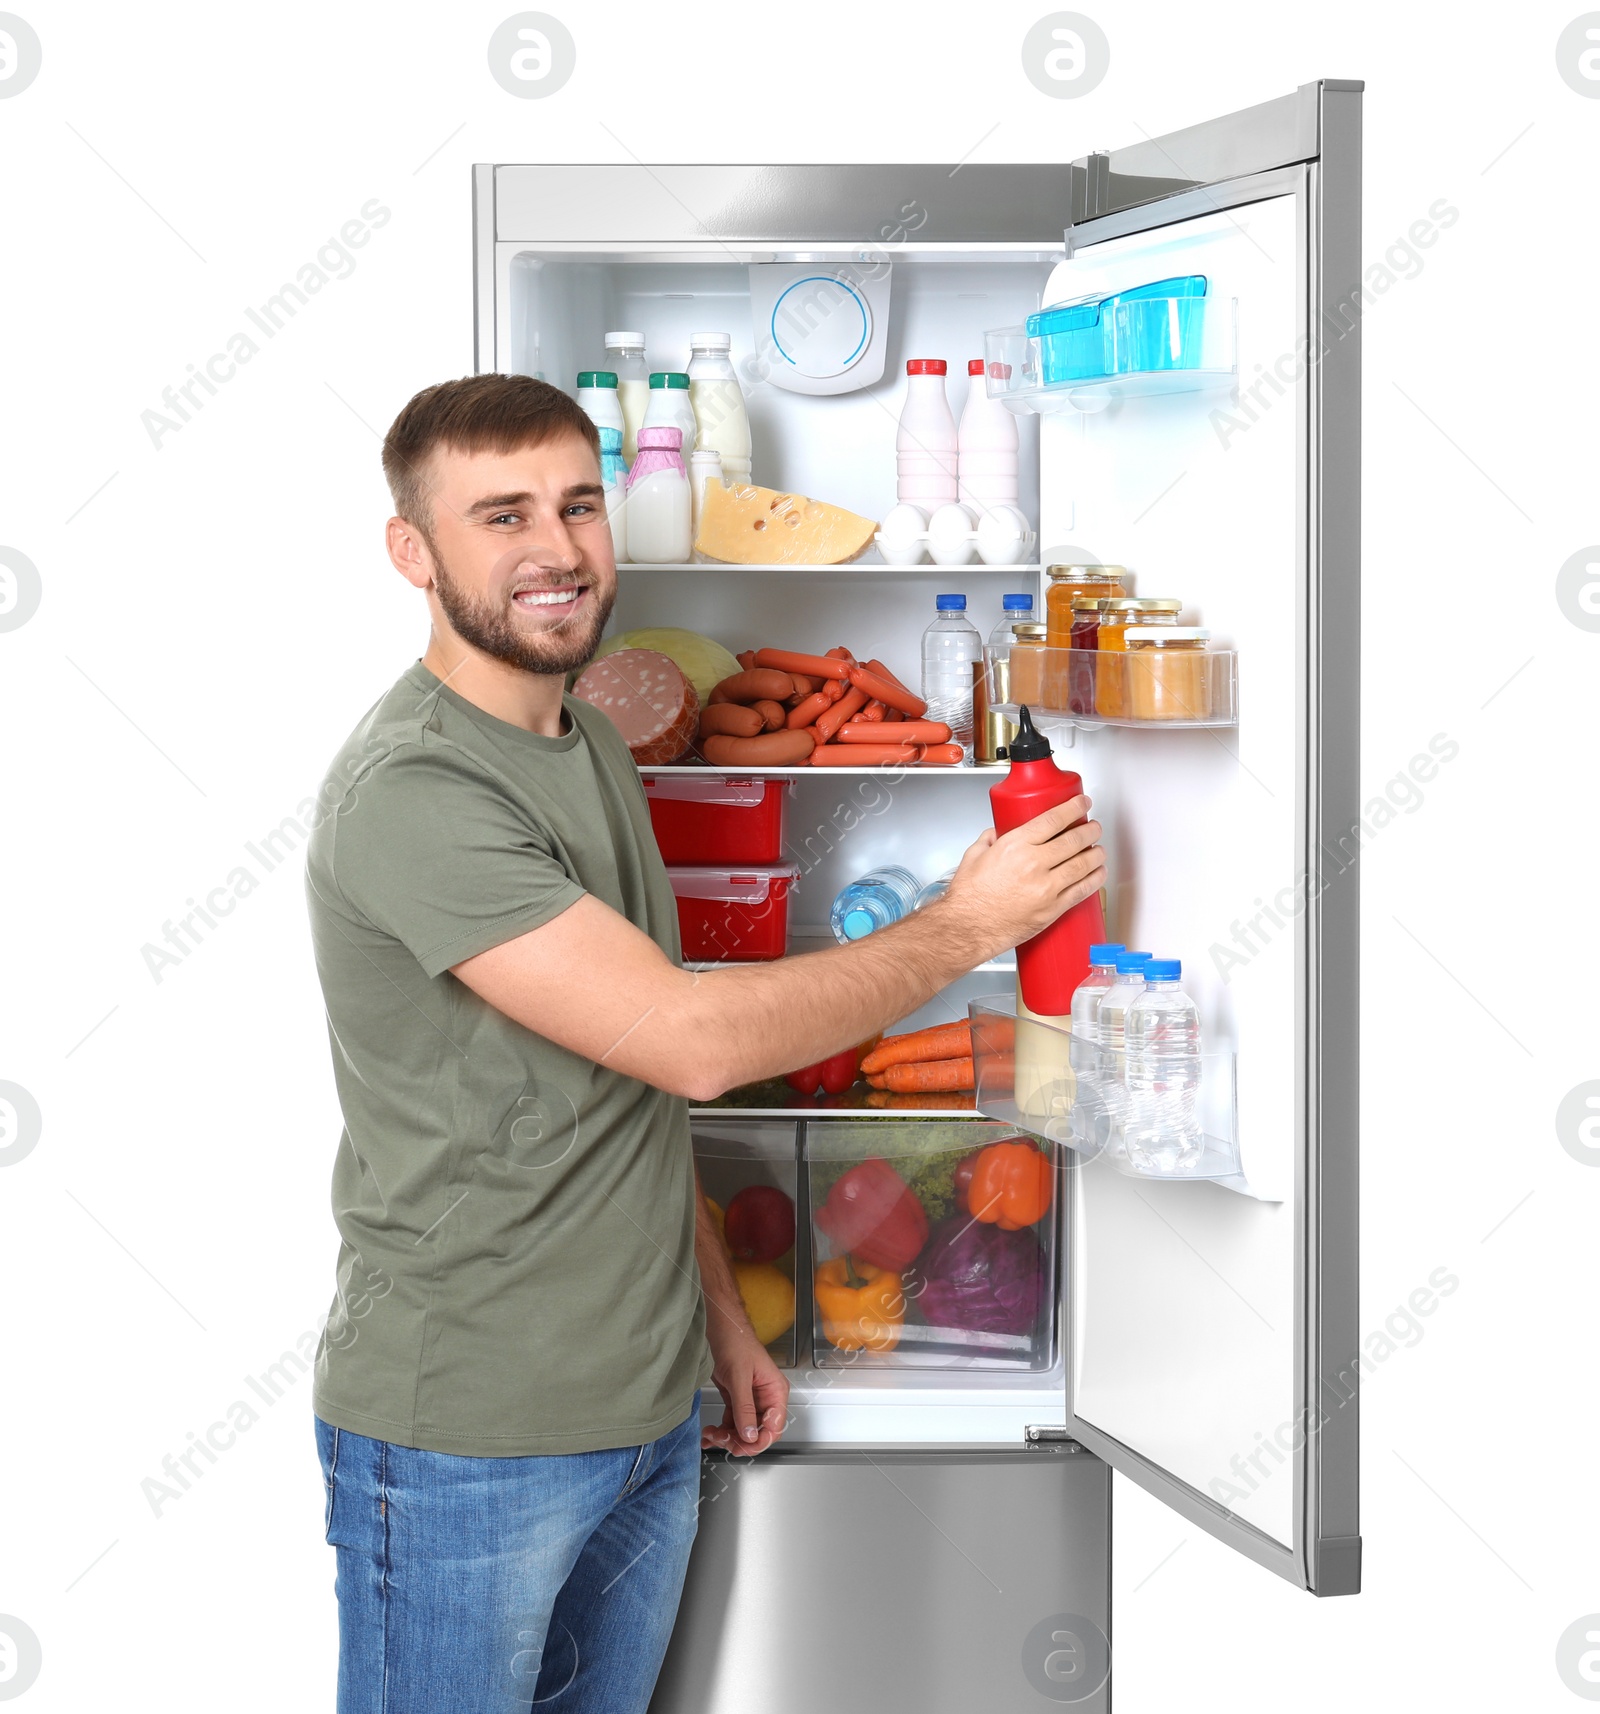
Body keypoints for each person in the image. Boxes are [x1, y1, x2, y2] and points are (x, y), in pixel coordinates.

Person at [304, 372, 1106, 1714]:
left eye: (577, 504)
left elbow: (624, 1074)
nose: (557, 549)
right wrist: (965, 925)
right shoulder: (418, 792)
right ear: (413, 550)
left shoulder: (588, 749)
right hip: (467, 1434)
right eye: (501, 515)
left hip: (646, 1407)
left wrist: (718, 1314)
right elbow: (684, 1040)